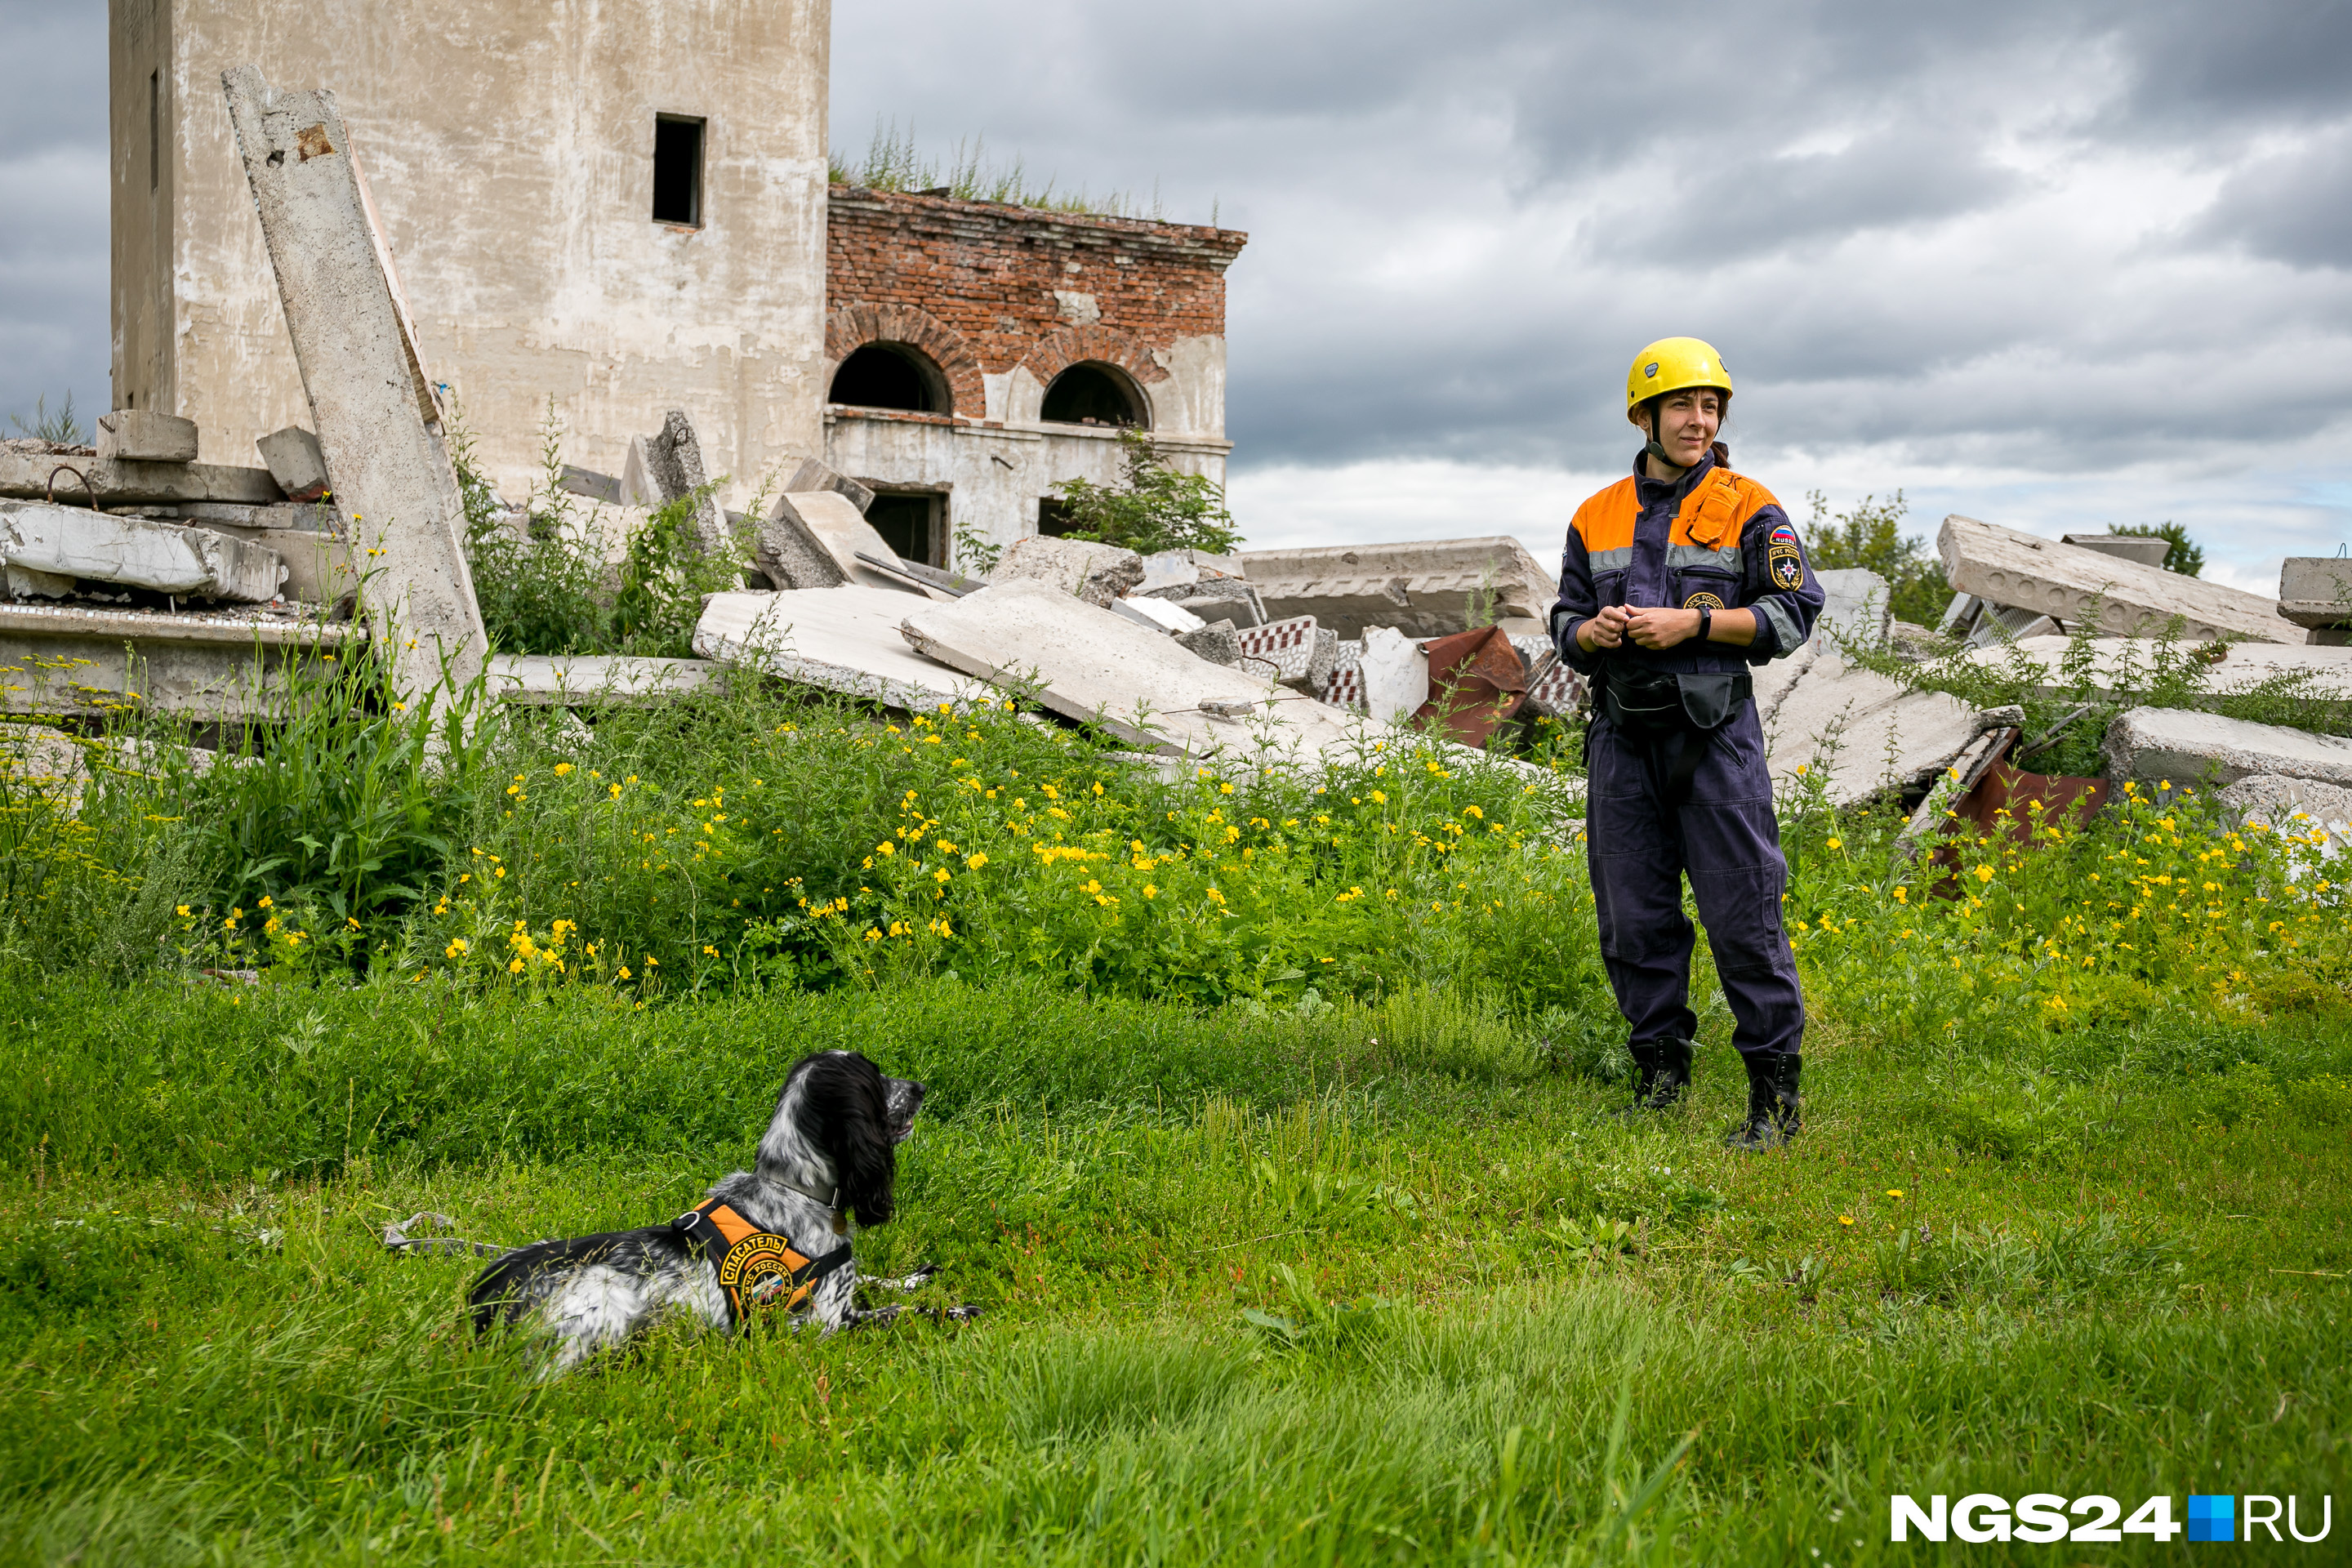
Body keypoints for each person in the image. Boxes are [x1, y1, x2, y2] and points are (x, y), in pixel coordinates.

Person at [1550, 337, 1824, 1149]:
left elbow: (1793, 612)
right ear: (1644, 416)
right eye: (1681, 406)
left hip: (1715, 740)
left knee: (1744, 917)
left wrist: (1696, 623)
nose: (1698, 420)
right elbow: (1562, 621)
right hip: (1622, 738)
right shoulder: (1594, 514)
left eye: (1710, 406)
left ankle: (1773, 1099)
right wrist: (1590, 633)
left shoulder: (1751, 505)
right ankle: (1658, 1076)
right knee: (1633, 919)